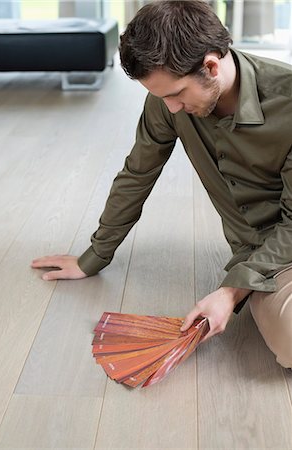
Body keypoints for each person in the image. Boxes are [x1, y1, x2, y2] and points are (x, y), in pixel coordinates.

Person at [32, 0, 292, 368]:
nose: (169, 108)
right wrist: (95, 255)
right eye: (160, 96)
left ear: (211, 66)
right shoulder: (168, 103)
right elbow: (137, 174)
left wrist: (231, 292)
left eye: (176, 94)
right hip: (268, 258)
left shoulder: (289, 101)